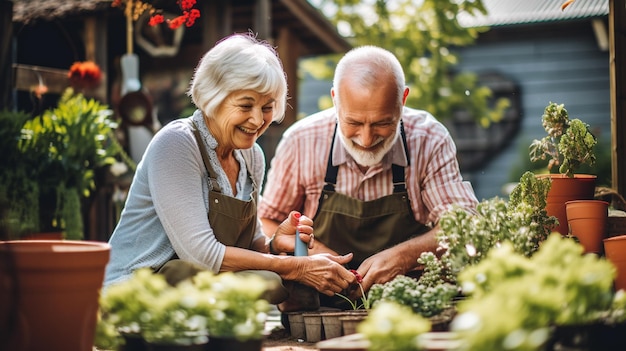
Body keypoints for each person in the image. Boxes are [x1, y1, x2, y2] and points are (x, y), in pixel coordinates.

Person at [104, 33, 356, 304]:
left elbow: (248, 246)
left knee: (270, 281)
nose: (258, 120)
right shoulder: (177, 143)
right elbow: (202, 256)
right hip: (135, 290)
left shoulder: (252, 156)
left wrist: (274, 243)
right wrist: (298, 268)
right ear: (214, 97)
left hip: (189, 289)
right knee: (269, 281)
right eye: (246, 105)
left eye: (267, 107)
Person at [258, 45, 478, 307]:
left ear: (403, 100)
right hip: (320, 306)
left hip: (409, 302)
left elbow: (463, 226)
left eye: (382, 123)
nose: (366, 138)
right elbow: (268, 220)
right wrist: (313, 253)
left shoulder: (429, 138)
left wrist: (405, 256)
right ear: (335, 99)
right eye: (353, 123)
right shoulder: (301, 141)